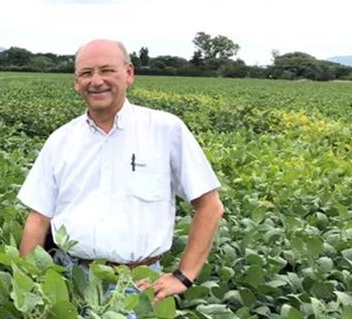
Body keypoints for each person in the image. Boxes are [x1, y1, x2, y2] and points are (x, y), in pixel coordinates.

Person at [18, 39, 224, 304]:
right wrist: (29, 285)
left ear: (129, 74)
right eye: (86, 73)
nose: (96, 81)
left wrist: (183, 276)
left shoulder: (165, 130)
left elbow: (210, 206)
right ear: (76, 82)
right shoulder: (61, 140)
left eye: (106, 70)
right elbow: (38, 218)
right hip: (66, 279)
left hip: (134, 285)